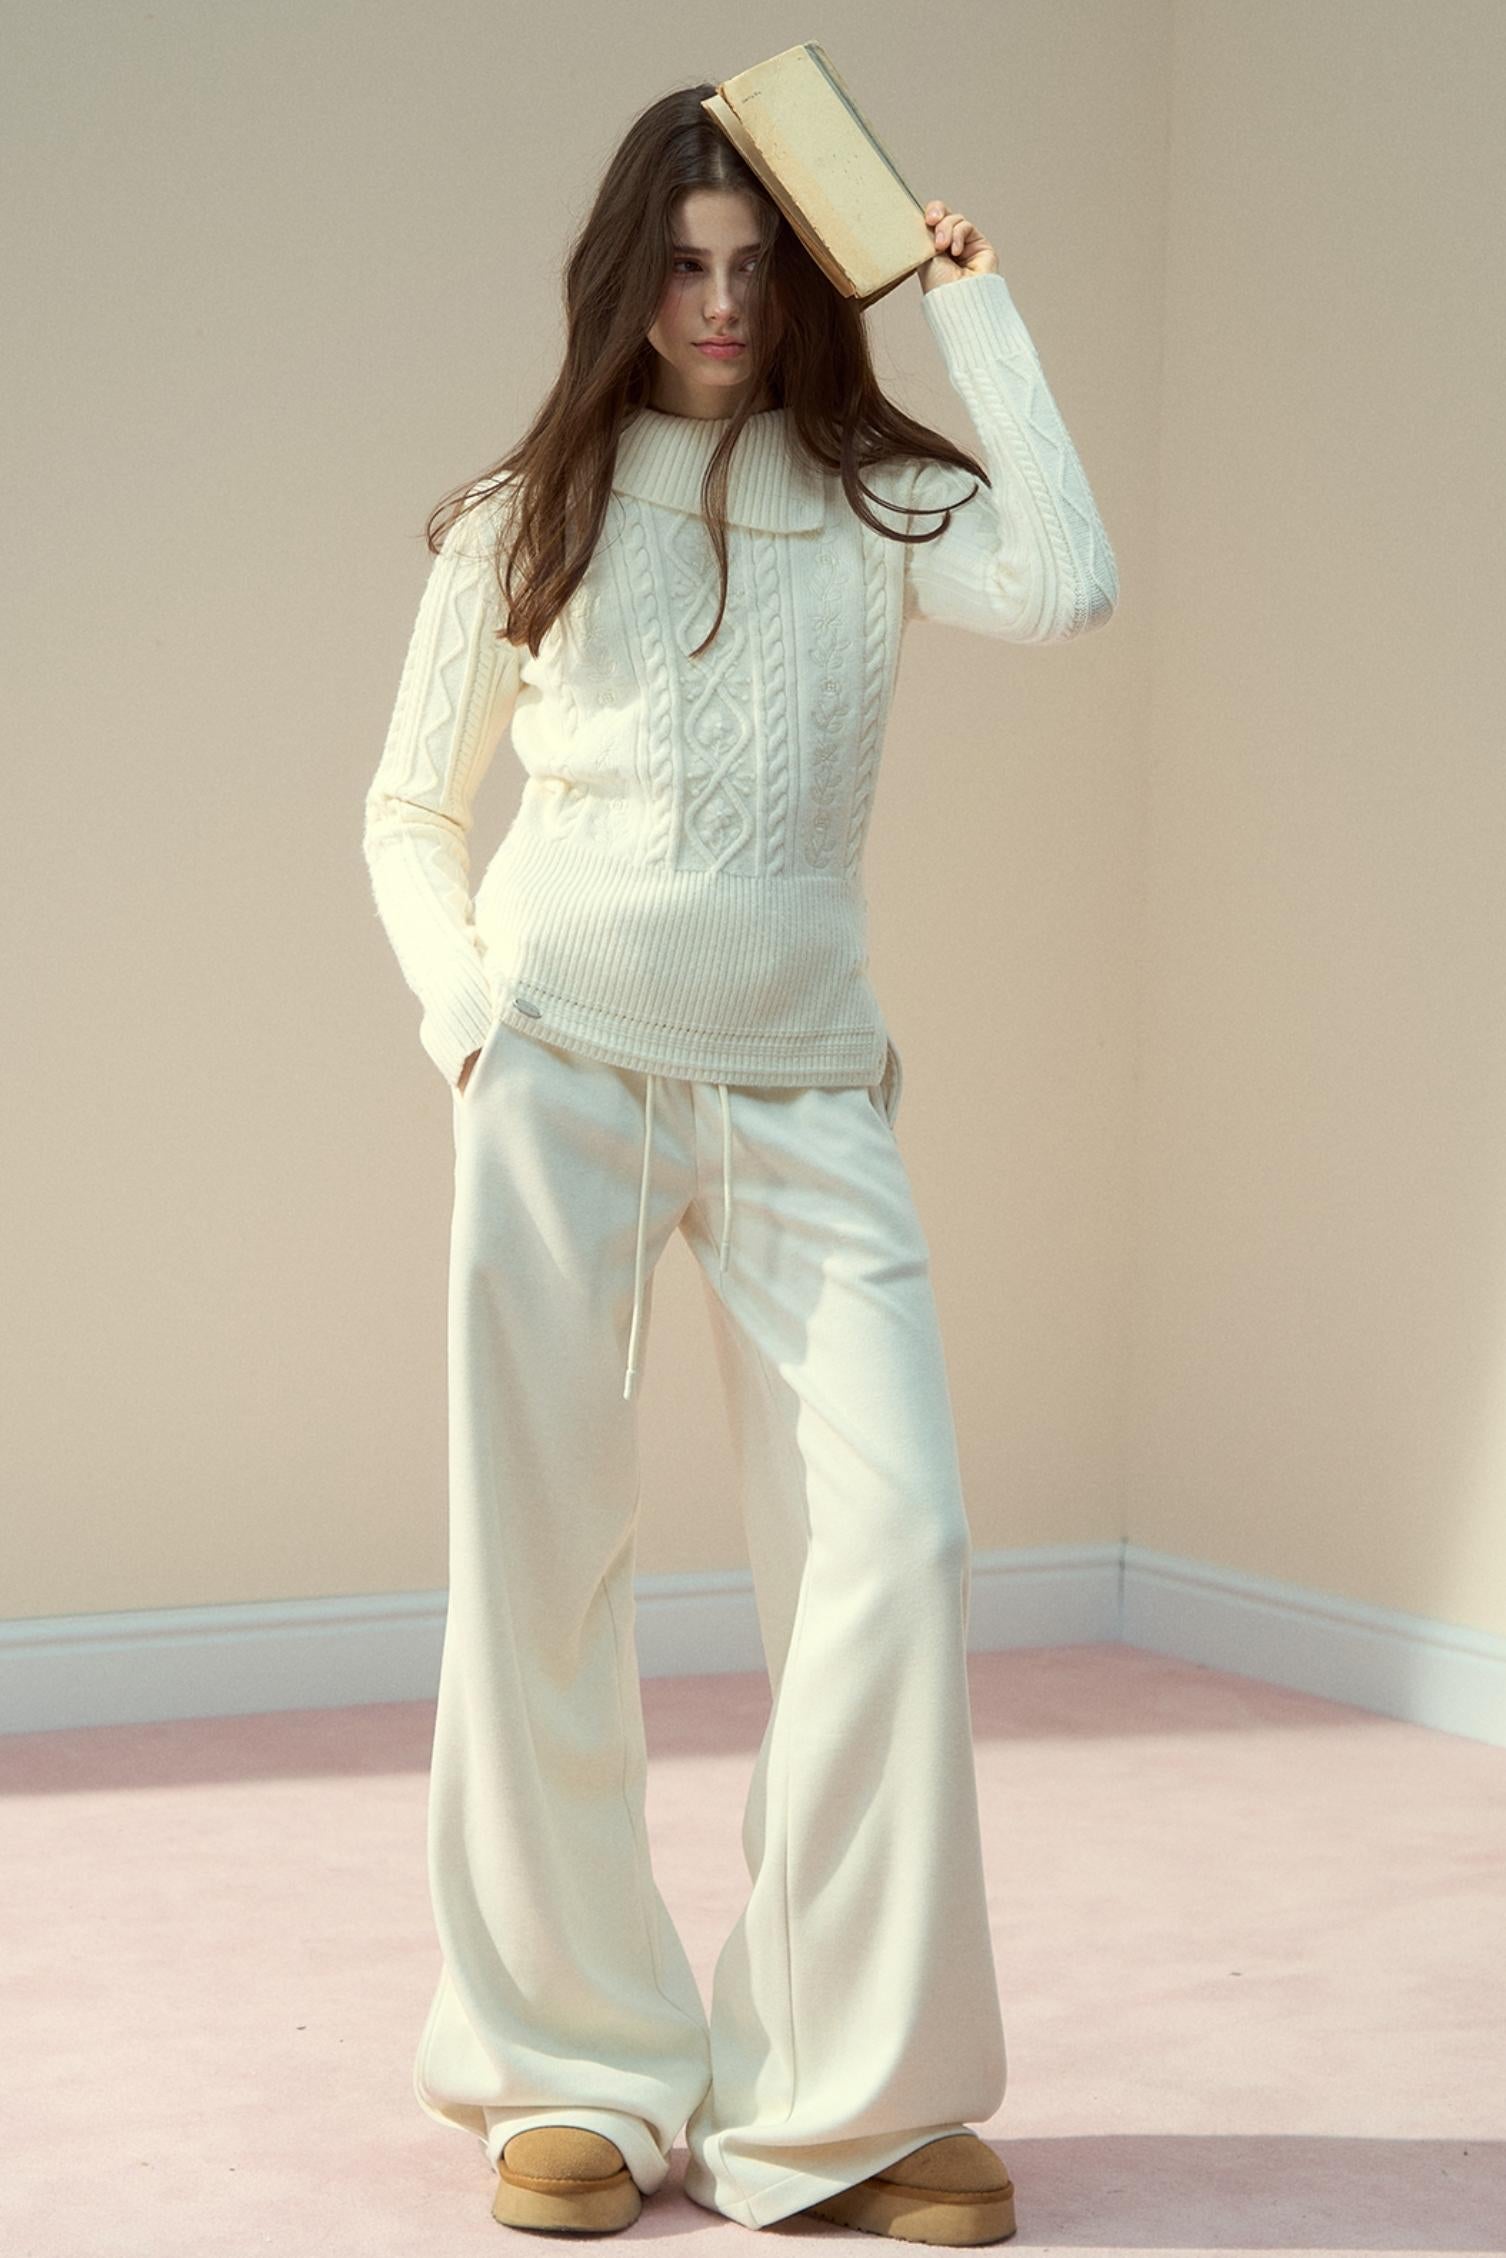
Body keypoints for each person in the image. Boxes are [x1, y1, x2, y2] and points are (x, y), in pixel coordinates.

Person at [362, 81, 1117, 2247]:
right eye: (684, 266)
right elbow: (409, 807)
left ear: (807, 279)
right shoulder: (522, 511)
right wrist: (470, 1017)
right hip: (561, 1073)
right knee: (540, 1569)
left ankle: (840, 2093)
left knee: (899, 1546)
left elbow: (1066, 583)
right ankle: (571, 2064)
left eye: (757, 265)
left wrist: (973, 307)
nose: (717, 304)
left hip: (802, 1085)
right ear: (627, 278)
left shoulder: (876, 497)